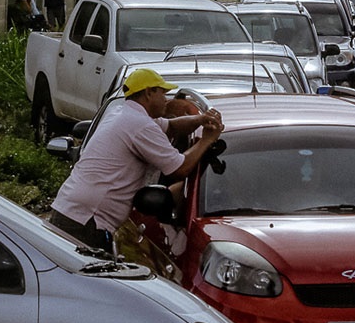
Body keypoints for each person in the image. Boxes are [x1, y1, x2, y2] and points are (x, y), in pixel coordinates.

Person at [48, 68, 225, 251]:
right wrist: (206, 140)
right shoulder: (140, 125)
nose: (166, 100)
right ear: (149, 93)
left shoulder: (122, 113)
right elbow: (179, 168)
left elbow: (171, 127)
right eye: (162, 93)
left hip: (70, 210)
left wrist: (200, 119)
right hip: (88, 221)